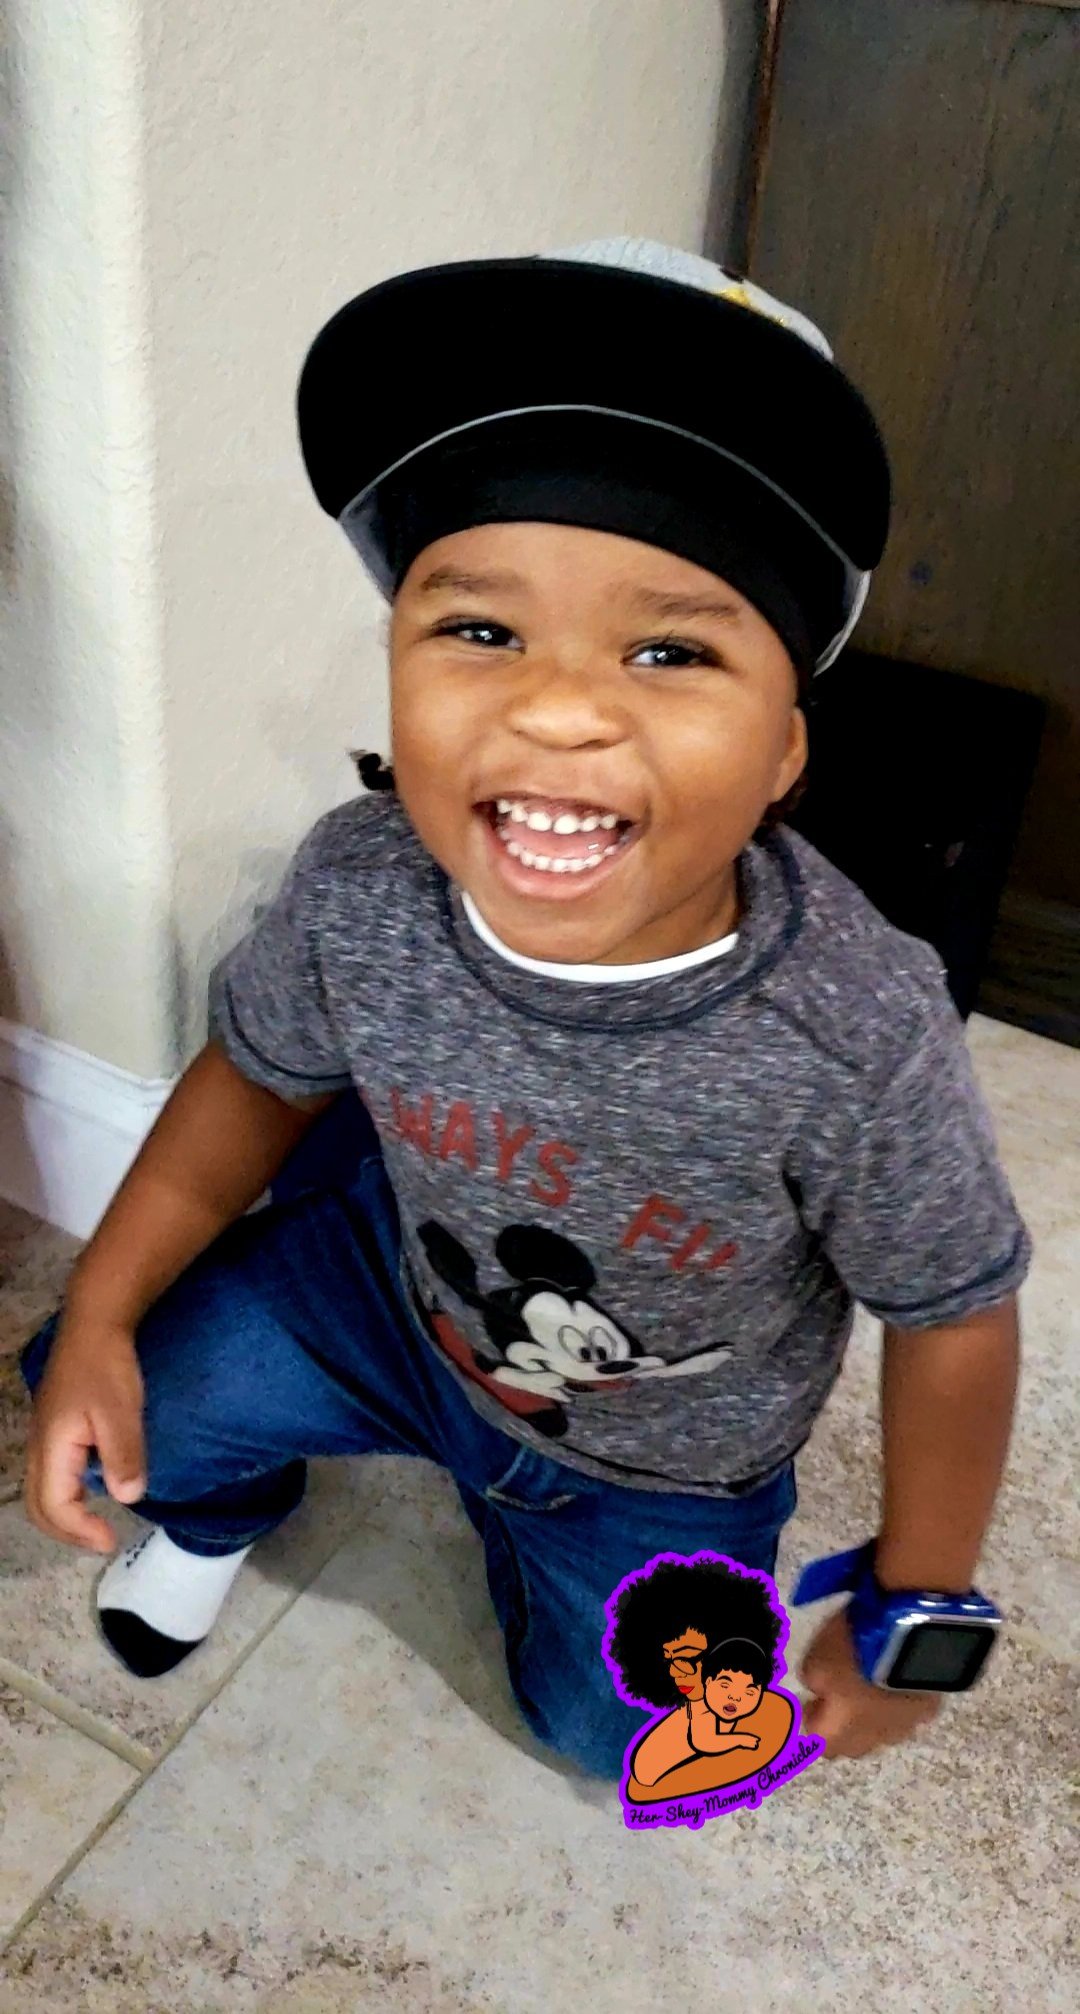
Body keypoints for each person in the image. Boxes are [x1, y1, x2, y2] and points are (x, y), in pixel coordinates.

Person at [20, 238, 1032, 1780]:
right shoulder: (363, 884)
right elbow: (258, 1073)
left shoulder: (855, 1030)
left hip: (663, 1466)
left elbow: (954, 1311)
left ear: (783, 751)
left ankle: (540, 1553)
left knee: (620, 1736)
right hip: (390, 1305)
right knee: (101, 1396)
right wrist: (100, 1307)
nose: (557, 706)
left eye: (670, 648)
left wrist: (919, 1598)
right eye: (481, 630)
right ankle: (222, 1514)